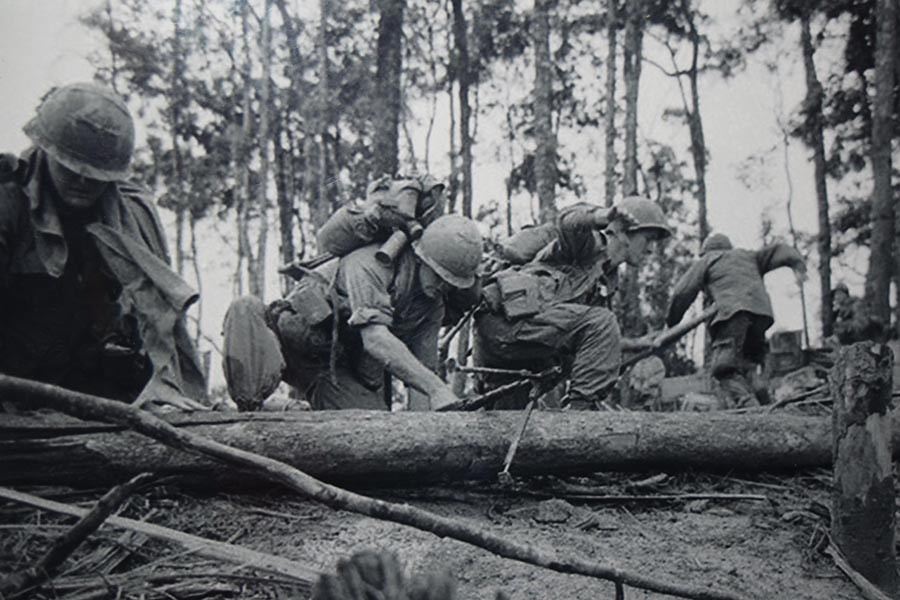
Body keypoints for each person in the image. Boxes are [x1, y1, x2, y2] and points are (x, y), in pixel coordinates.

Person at [0, 82, 206, 408]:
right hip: (14, 389)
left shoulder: (130, 215)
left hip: (90, 390)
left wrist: (163, 381)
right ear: (46, 151)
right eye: (71, 169)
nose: (83, 182)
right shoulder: (8, 201)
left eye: (96, 175)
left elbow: (159, 318)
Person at [223, 214, 483, 411]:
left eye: (452, 283)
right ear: (420, 258)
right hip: (287, 341)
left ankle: (288, 412)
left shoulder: (431, 306)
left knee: (373, 432)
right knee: (245, 307)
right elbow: (376, 339)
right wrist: (437, 388)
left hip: (332, 368)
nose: (443, 286)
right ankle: (249, 412)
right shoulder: (371, 264)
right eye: (439, 276)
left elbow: (423, 376)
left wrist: (428, 433)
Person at [473, 196, 672, 410]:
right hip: (505, 327)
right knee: (602, 322)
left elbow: (592, 343)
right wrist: (603, 216)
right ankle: (580, 413)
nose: (651, 249)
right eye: (647, 239)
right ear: (622, 233)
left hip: (520, 352)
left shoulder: (606, 283)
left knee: (507, 434)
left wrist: (637, 343)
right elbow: (568, 222)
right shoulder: (585, 247)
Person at [666, 233, 806, 409]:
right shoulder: (749, 256)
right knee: (750, 365)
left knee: (723, 369)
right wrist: (798, 265)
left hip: (733, 313)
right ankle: (768, 405)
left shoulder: (709, 259)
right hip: (761, 313)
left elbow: (682, 291)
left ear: (707, 251)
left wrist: (671, 322)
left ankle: (751, 407)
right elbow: (780, 250)